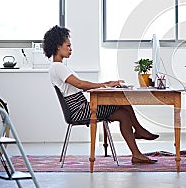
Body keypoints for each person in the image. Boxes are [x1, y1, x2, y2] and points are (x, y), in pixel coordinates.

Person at [43, 25, 158, 164]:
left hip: (82, 107)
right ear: (57, 47)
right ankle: (139, 132)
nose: (70, 49)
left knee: (123, 113)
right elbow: (80, 85)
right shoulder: (58, 67)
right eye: (68, 46)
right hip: (79, 110)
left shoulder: (60, 67)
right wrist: (105, 85)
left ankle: (137, 152)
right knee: (123, 104)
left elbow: (82, 86)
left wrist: (106, 83)